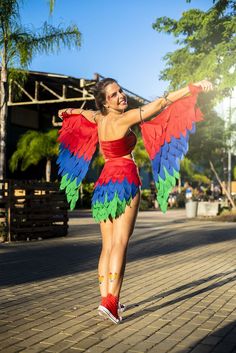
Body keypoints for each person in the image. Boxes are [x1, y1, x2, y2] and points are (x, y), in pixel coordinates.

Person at [58, 78, 213, 324]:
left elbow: (84, 113)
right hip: (126, 181)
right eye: (114, 94)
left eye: (120, 91)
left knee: (107, 245)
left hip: (104, 185)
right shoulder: (125, 118)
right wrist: (192, 88)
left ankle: (106, 299)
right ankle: (111, 302)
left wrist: (67, 111)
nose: (121, 95)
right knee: (120, 242)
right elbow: (162, 103)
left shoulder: (100, 119)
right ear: (106, 102)